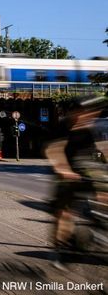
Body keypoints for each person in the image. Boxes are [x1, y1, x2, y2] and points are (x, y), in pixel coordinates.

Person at [45, 96, 107, 269]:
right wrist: (63, 169)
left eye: (90, 113)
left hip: (86, 170)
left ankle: (101, 227)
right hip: (66, 173)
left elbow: (101, 150)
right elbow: (54, 150)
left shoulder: (89, 129)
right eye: (82, 113)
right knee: (65, 213)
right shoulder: (62, 127)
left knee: (104, 194)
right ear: (73, 112)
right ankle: (58, 249)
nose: (87, 116)